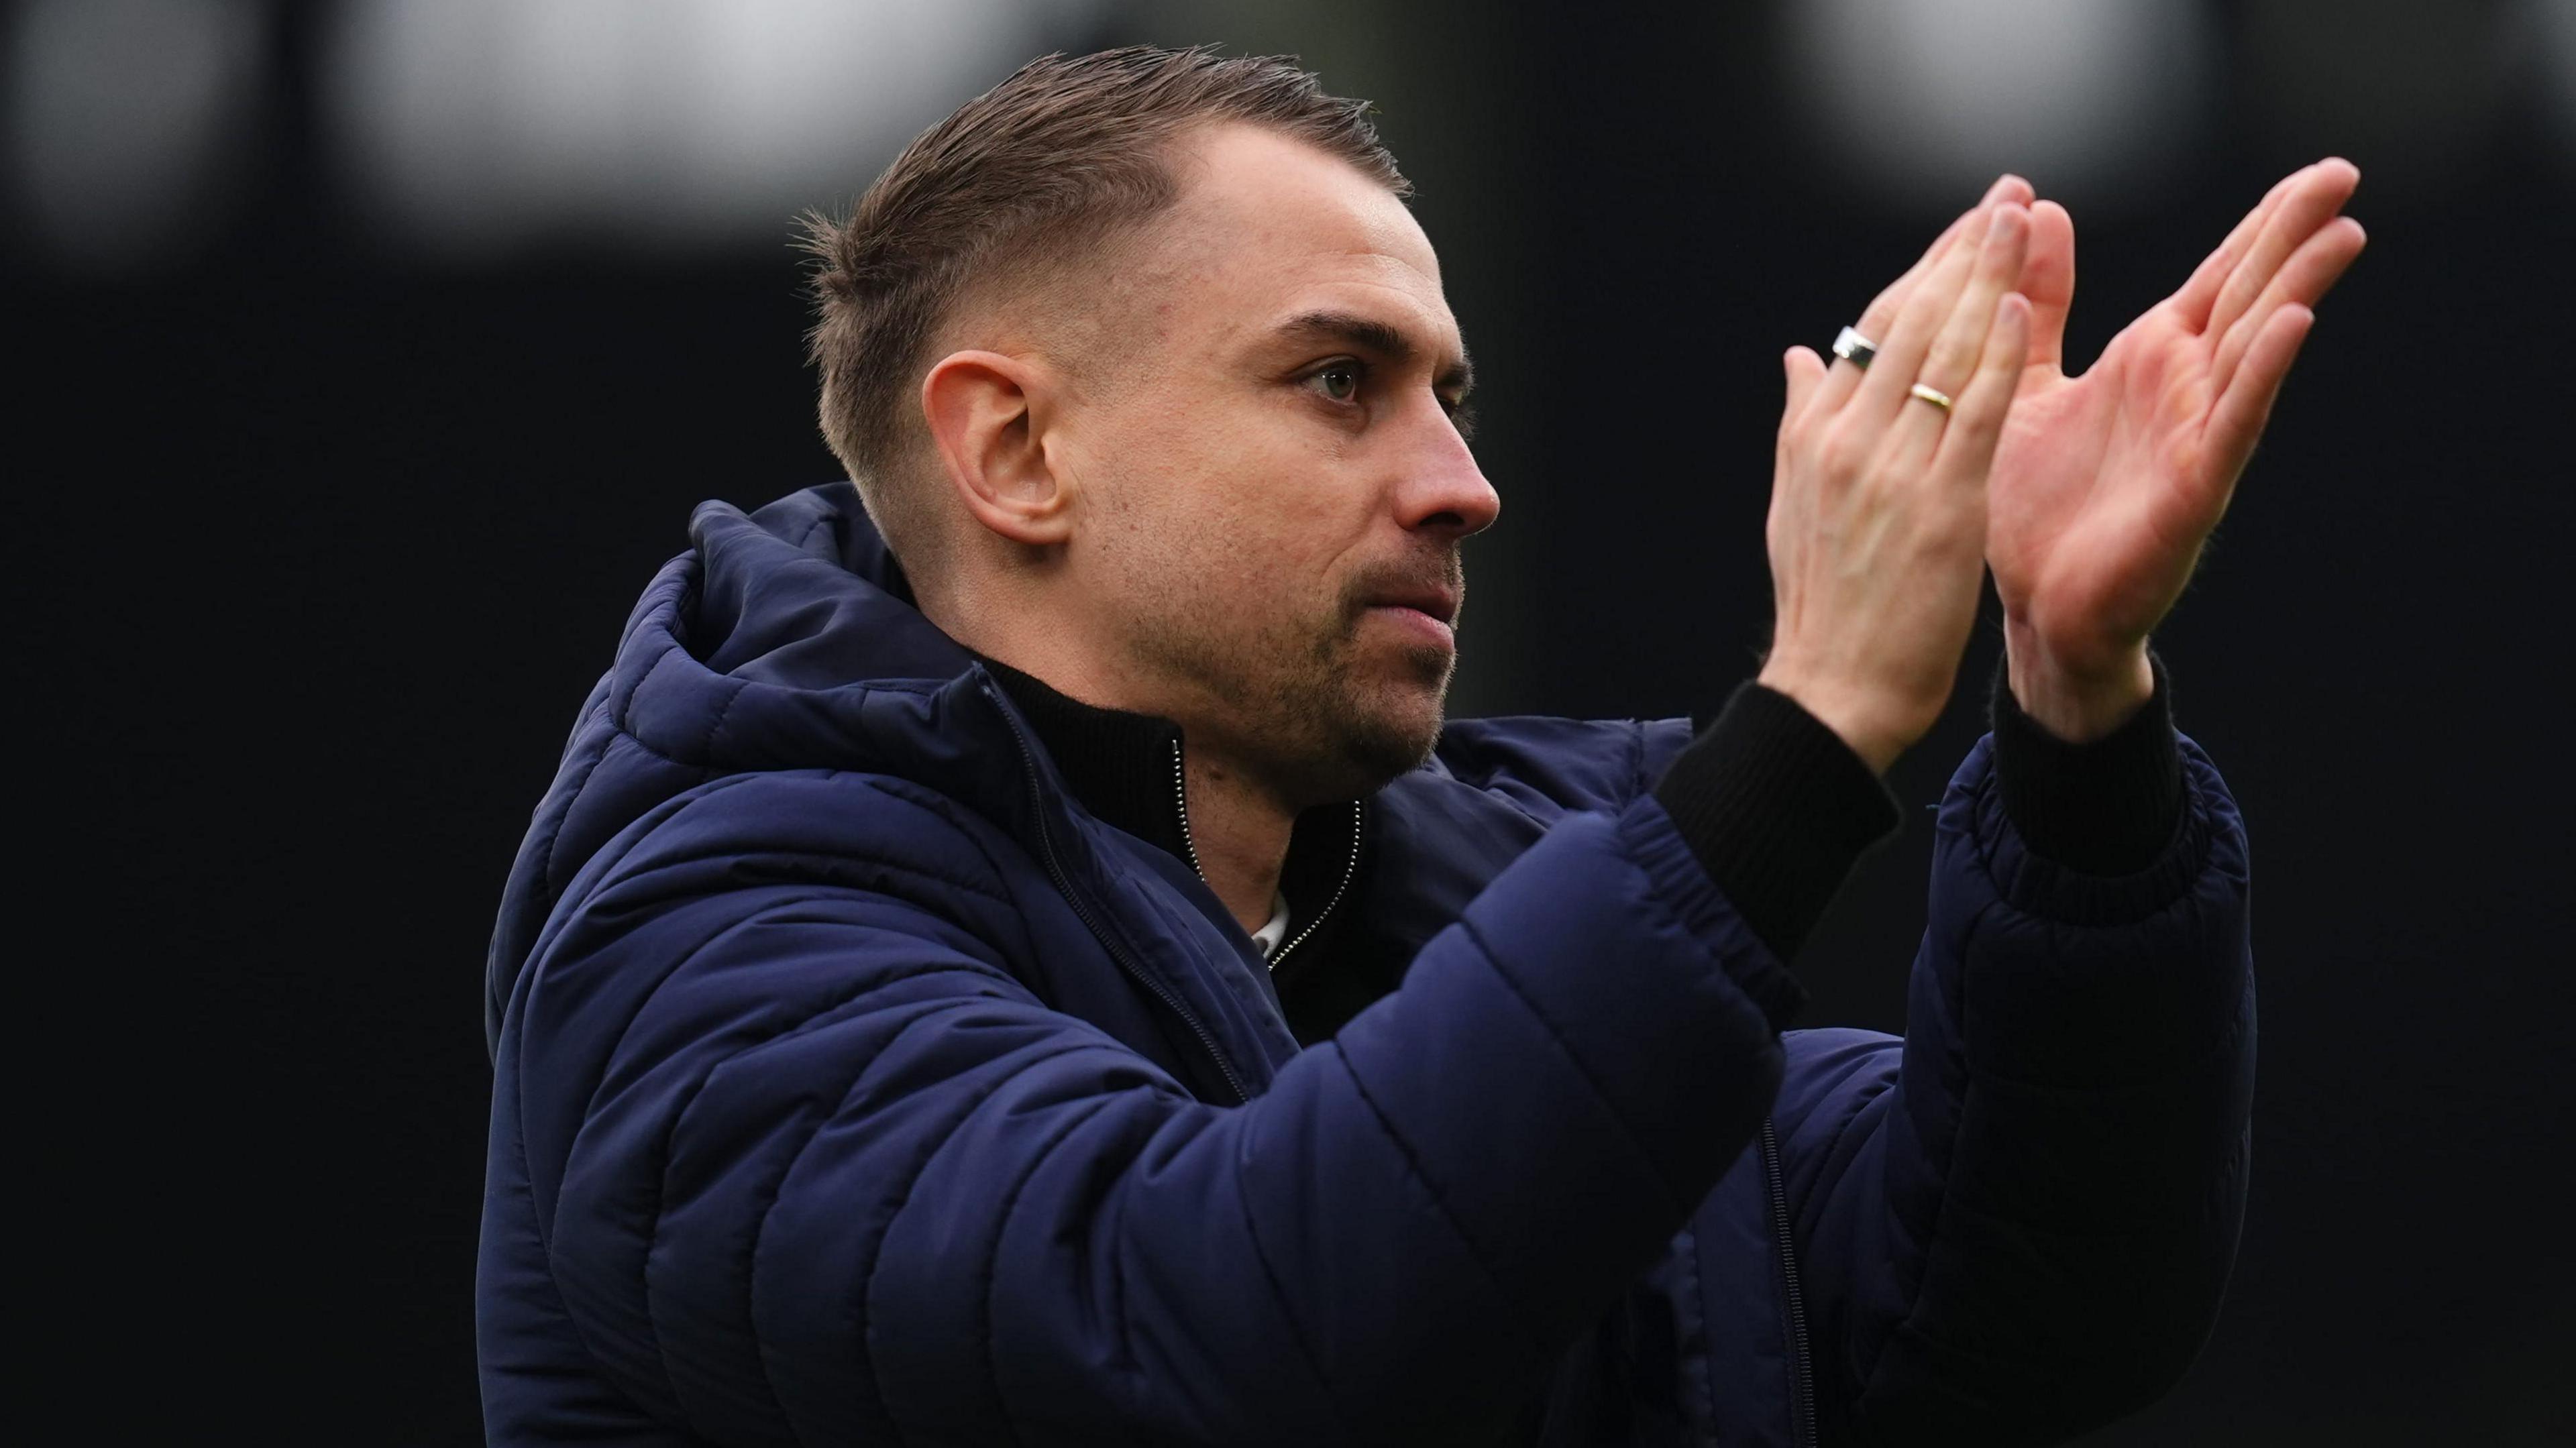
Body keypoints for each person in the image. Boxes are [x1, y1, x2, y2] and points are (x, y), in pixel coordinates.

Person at [476, 46, 2363, 1446]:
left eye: (1447, 398)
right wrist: (1807, 734)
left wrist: (2073, 708)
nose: (1464, 486)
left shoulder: (1511, 910)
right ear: (1016, 451)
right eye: (1336, 382)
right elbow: (1207, 1336)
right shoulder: (710, 946)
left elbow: (2029, 1307)